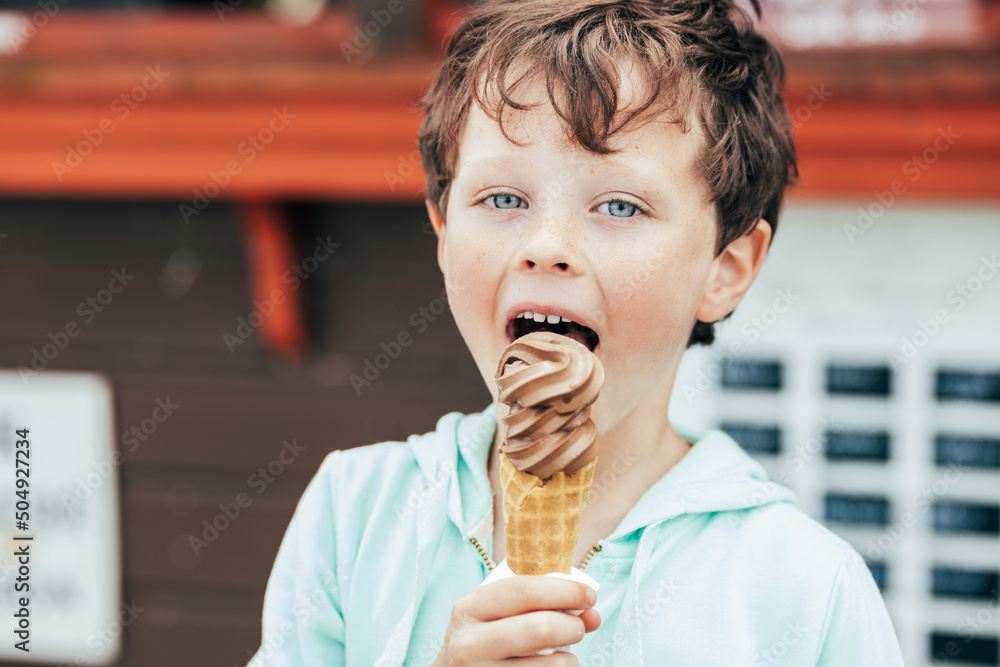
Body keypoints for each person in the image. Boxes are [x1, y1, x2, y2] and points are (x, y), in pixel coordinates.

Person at [250, 0, 906, 664]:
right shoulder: (355, 516)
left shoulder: (806, 590)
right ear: (444, 234)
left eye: (619, 205)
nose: (546, 246)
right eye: (503, 198)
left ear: (724, 269)